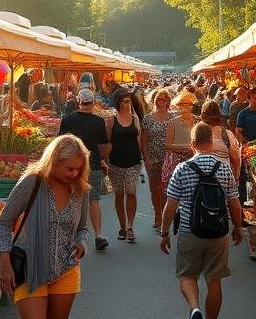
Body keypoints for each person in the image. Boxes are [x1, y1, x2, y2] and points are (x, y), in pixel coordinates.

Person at [0, 135, 90, 319]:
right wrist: (5, 264)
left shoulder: (81, 190)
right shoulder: (32, 183)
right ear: (53, 161)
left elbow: (83, 227)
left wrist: (81, 243)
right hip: (29, 268)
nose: (74, 174)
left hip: (66, 268)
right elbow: (4, 222)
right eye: (69, 168)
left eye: (79, 169)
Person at [160, 122, 243, 319]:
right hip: (218, 233)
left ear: (192, 143)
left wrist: (164, 232)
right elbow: (235, 204)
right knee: (214, 281)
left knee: (187, 276)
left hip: (190, 230)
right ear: (212, 143)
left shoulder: (182, 169)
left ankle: (194, 308)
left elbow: (170, 205)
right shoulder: (224, 168)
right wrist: (238, 227)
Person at [58, 88, 111, 252]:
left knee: (70, 200)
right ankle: (98, 235)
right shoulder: (98, 121)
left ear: (78, 101)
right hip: (92, 166)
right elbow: (104, 146)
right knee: (93, 200)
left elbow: (59, 144)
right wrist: (104, 161)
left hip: (70, 167)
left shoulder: (67, 120)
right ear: (93, 102)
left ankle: (68, 237)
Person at [105, 88, 143, 244]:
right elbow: (107, 142)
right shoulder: (111, 120)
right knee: (119, 195)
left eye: (130, 101)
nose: (128, 103)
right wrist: (105, 161)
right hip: (116, 162)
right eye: (126, 101)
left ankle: (130, 227)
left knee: (131, 192)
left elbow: (139, 140)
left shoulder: (135, 119)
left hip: (133, 161)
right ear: (119, 102)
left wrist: (142, 159)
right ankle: (122, 226)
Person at [141, 88, 172, 231]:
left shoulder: (172, 118)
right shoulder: (148, 118)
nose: (162, 103)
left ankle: (164, 215)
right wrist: (146, 158)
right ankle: (157, 215)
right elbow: (143, 140)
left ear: (168, 102)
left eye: (164, 100)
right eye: (159, 100)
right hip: (152, 157)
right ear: (155, 101)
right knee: (154, 188)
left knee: (164, 188)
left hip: (167, 157)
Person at [162, 91, 199, 205]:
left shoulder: (198, 121)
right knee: (176, 193)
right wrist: (181, 148)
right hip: (176, 160)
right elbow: (167, 144)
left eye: (187, 104)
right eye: (182, 105)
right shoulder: (172, 122)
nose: (184, 107)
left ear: (191, 106)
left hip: (193, 159)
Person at [198, 101, 241, 181]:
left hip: (202, 178)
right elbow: (236, 158)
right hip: (223, 178)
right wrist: (236, 177)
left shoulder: (197, 133)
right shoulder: (227, 134)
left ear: (202, 115)